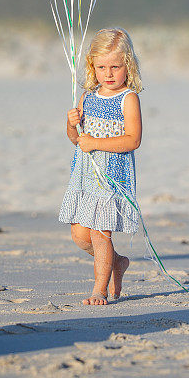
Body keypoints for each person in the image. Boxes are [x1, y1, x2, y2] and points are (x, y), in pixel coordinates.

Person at [58, 28, 143, 306]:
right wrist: (71, 125)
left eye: (115, 67)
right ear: (92, 66)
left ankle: (99, 289)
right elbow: (77, 140)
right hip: (85, 175)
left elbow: (133, 139)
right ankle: (117, 263)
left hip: (110, 176)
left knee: (100, 232)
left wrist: (96, 143)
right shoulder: (88, 96)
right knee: (80, 235)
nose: (108, 73)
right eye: (102, 67)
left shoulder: (128, 98)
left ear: (127, 66)